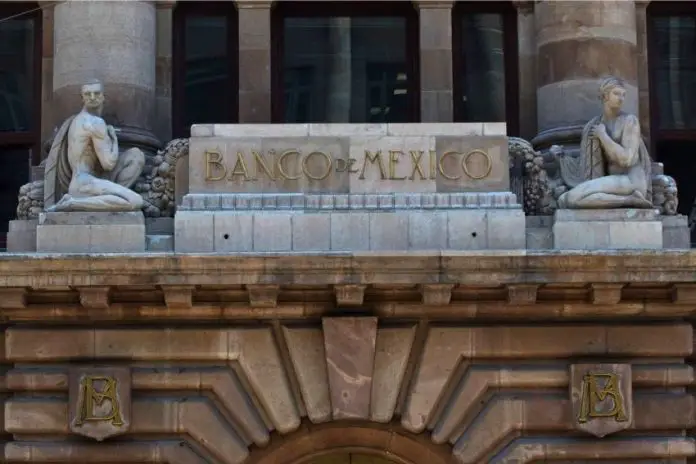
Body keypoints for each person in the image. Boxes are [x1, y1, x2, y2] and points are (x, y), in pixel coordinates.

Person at [43, 79, 145, 212]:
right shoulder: (95, 123)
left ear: (103, 97)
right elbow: (108, 163)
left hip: (84, 182)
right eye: (87, 94)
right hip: (84, 184)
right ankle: (72, 203)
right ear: (82, 98)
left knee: (135, 156)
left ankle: (106, 197)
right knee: (135, 201)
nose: (92, 98)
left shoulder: (78, 120)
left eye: (96, 93)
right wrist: (114, 139)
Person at [557, 76, 653, 209]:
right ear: (604, 96)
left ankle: (634, 198)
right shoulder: (594, 124)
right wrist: (562, 156)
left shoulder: (629, 121)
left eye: (623, 95)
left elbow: (627, 160)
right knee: (565, 199)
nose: (621, 98)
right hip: (615, 184)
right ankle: (630, 200)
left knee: (572, 198)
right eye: (616, 94)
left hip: (632, 180)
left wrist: (603, 135)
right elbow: (588, 162)